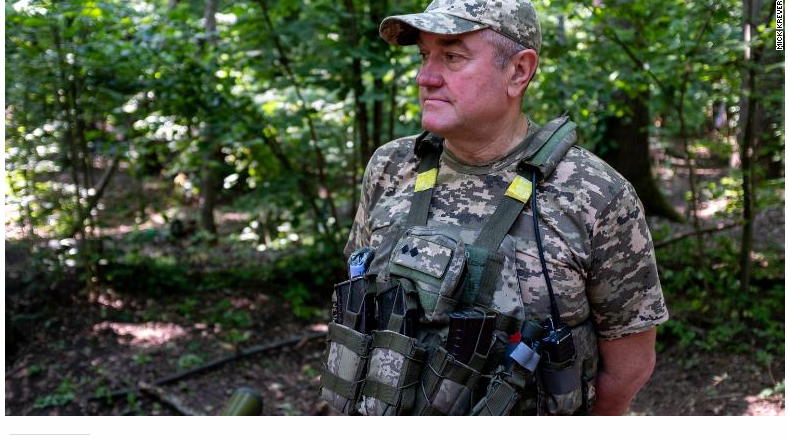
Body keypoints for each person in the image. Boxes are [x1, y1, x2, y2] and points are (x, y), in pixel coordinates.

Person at [342, 0, 668, 416]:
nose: (426, 76)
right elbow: (358, 312)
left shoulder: (595, 193)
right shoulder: (390, 167)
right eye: (425, 55)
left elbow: (629, 365)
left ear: (518, 71)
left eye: (452, 56)